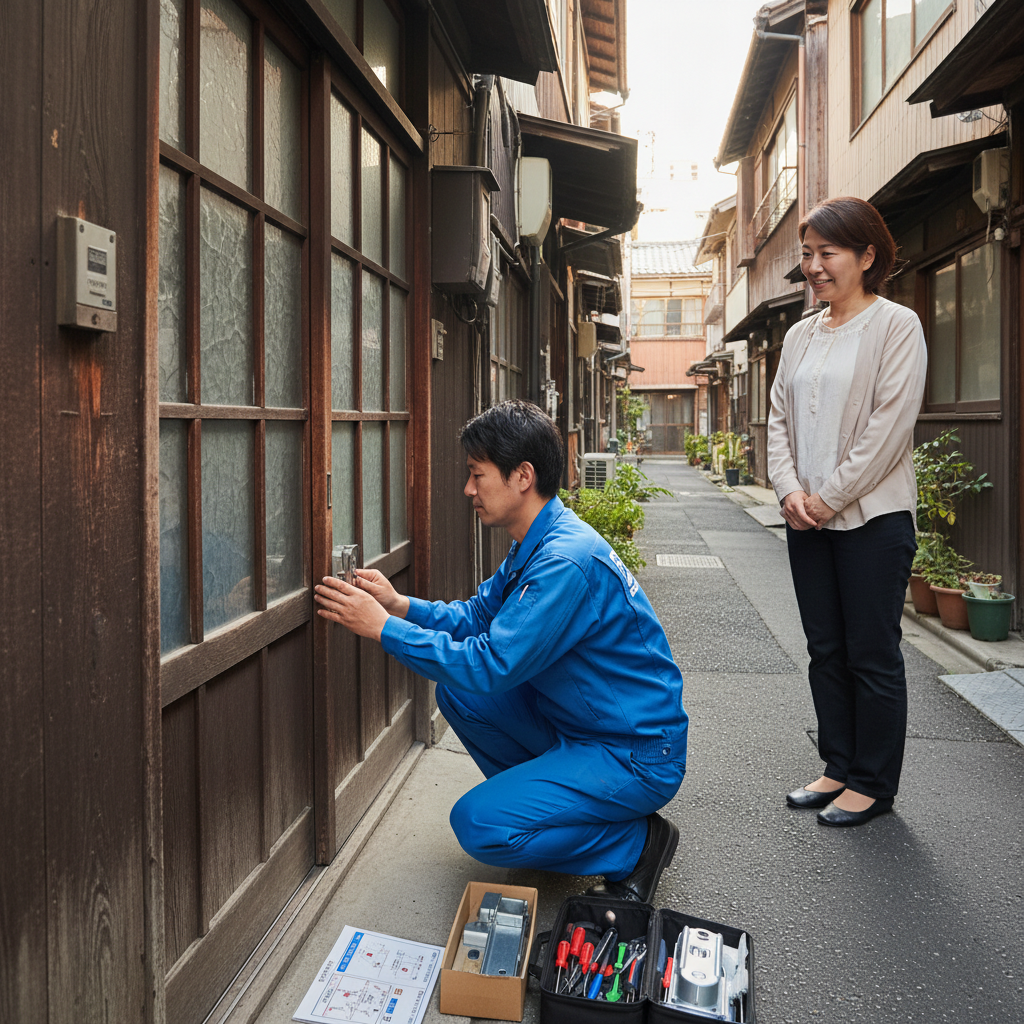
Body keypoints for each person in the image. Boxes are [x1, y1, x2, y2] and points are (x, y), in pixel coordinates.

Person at [314, 399, 688, 901]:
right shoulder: (536, 541)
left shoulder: (563, 561)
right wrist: (400, 605)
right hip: (583, 727)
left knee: (479, 825)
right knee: (459, 695)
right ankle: (553, 812)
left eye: (477, 474)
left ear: (522, 476)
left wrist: (383, 629)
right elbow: (476, 619)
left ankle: (636, 842)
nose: (469, 489)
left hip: (634, 752)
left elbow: (491, 664)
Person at [767, 196, 927, 828]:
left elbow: (890, 427)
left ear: (867, 256)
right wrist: (787, 491)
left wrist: (829, 495)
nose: (813, 266)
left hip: (873, 522)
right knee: (825, 648)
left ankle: (872, 783)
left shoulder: (896, 325)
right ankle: (837, 764)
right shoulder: (799, 334)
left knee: (871, 651)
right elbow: (778, 419)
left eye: (826, 253)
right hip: (805, 517)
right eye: (807, 254)